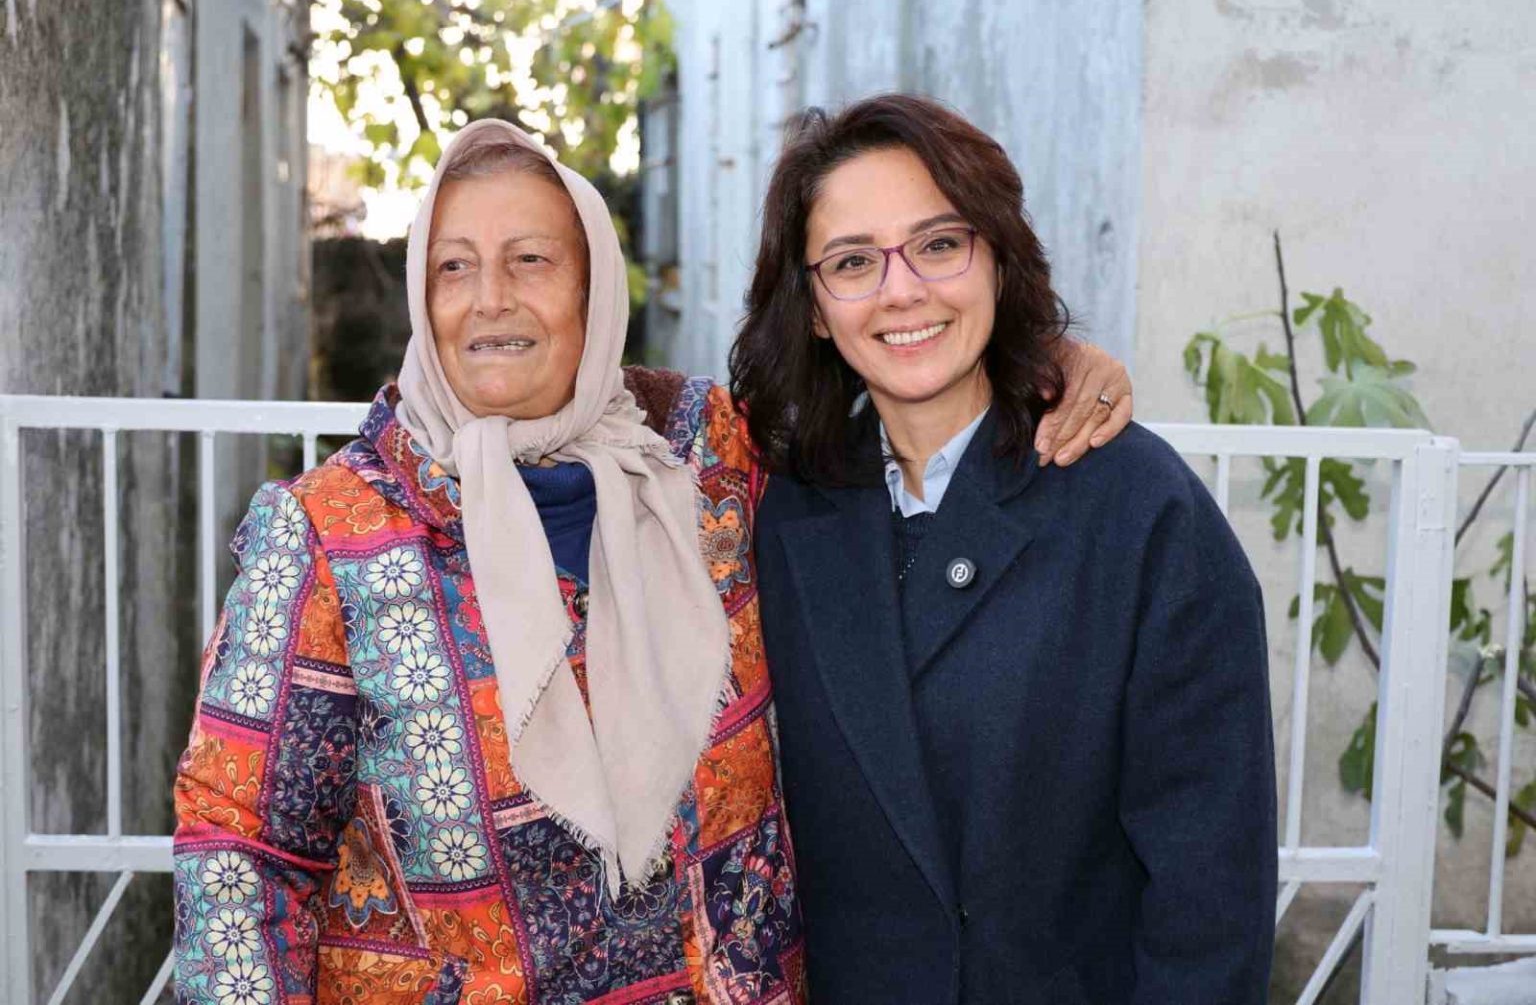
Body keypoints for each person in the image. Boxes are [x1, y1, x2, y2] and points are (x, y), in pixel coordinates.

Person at [170, 116, 1131, 1004]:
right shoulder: (332, 532)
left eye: (531, 259)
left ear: (595, 289)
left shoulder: (710, 454)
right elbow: (238, 851)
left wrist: (1041, 364)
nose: (490, 298)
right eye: (453, 267)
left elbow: (889, 380)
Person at [734, 94, 1277, 1004]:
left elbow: (1210, 891)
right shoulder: (778, 514)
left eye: (939, 244)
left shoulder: (1139, 510)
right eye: (853, 261)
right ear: (816, 308)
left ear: (996, 257)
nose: (902, 290)